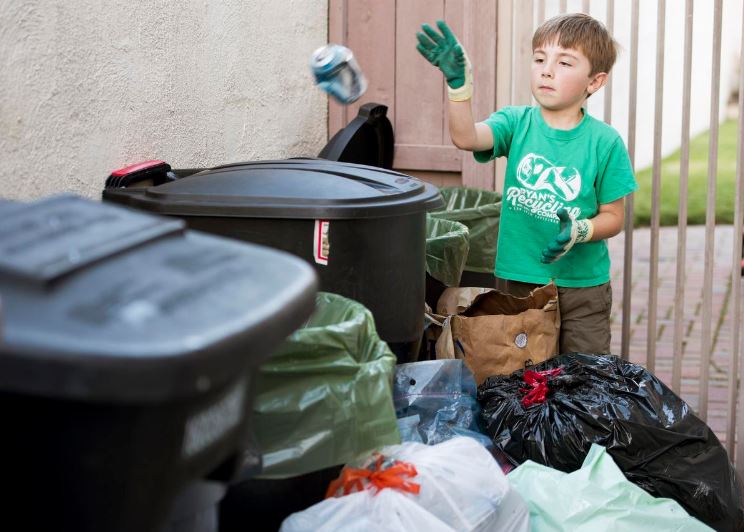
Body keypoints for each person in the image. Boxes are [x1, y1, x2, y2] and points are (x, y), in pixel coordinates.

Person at [416, 13, 637, 354]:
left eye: (564, 62)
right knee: (524, 375)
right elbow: (466, 137)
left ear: (594, 82)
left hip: (582, 288)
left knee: (582, 378)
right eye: (539, 59)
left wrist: (579, 231)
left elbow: (614, 216)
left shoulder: (604, 142)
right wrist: (459, 87)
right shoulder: (515, 122)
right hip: (521, 280)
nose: (547, 70)